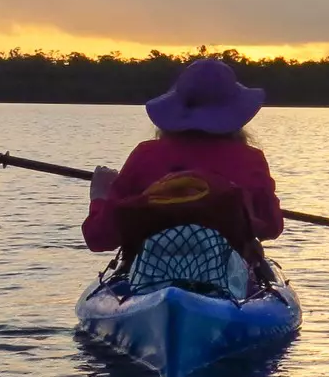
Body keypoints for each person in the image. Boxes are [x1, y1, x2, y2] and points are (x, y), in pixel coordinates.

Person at [83, 57, 284, 296]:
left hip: (144, 284)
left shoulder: (145, 155)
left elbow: (99, 238)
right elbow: (271, 227)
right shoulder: (251, 159)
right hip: (229, 286)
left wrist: (100, 196)